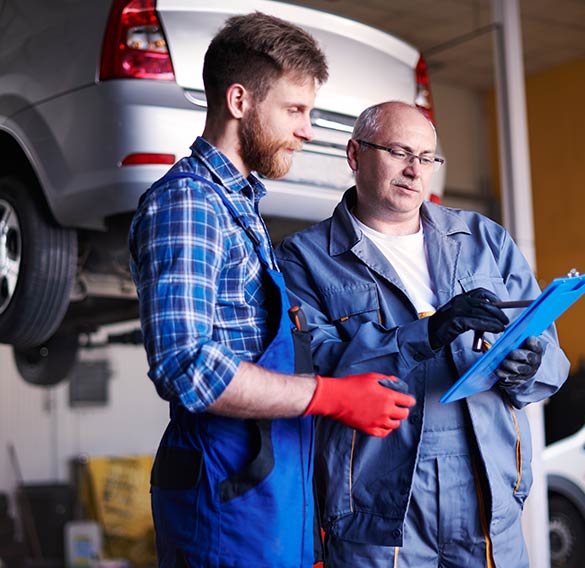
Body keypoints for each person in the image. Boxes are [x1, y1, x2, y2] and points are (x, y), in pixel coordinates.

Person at [128, 16, 415, 568]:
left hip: (272, 502)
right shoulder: (190, 205)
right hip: (223, 508)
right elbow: (187, 367)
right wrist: (332, 396)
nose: (307, 129)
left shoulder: (243, 208)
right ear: (239, 100)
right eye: (295, 110)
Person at [276, 101, 570, 567]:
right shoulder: (304, 258)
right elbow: (313, 367)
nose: (415, 171)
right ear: (355, 154)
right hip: (378, 508)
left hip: (487, 498)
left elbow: (552, 360)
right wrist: (425, 333)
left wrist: (530, 366)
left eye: (427, 158)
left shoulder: (484, 240)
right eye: (398, 152)